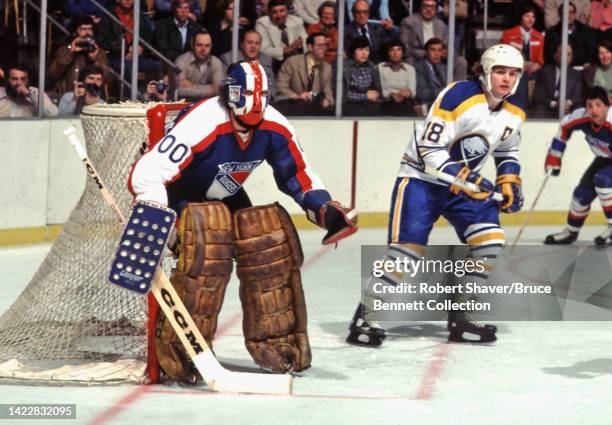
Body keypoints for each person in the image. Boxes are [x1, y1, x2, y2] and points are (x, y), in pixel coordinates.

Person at [129, 61, 358, 381]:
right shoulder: (204, 120)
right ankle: (181, 346)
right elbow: (148, 173)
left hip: (224, 195)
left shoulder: (274, 125)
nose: (249, 122)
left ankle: (275, 340)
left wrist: (325, 210)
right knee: (209, 248)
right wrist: (158, 216)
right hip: (180, 195)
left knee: (268, 239)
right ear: (231, 96)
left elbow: (299, 175)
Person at [346, 44, 526, 347]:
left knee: (491, 242)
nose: (506, 79)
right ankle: (367, 315)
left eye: (512, 73)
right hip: (421, 180)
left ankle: (463, 314)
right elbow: (429, 152)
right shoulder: (459, 96)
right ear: (485, 71)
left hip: (463, 187)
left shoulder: (514, 113)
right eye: (499, 71)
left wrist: (509, 180)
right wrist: (469, 178)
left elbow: (508, 149)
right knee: (406, 253)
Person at [544, 86, 612, 246]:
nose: (593, 110)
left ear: (608, 105)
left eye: (598, 105)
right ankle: (570, 232)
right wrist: (554, 158)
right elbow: (564, 127)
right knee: (581, 195)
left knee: (604, 181)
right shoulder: (582, 117)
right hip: (604, 158)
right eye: (589, 105)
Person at [399, 0, 466, 80]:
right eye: (426, 6)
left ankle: (458, 90)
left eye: (432, 7)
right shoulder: (408, 22)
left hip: (438, 57)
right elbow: (405, 49)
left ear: (436, 9)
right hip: (419, 58)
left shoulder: (440, 24)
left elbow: (448, 46)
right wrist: (427, 53)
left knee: (461, 61)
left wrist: (446, 52)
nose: (429, 9)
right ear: (420, 7)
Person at [48, 14, 108, 99]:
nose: (87, 33)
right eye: (83, 29)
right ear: (75, 31)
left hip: (92, 98)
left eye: (90, 29)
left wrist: (95, 59)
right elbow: (53, 73)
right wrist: (70, 53)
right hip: (67, 97)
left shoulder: (99, 52)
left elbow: (107, 78)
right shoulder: (63, 50)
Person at [274, 32, 334, 115]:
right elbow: (280, 86)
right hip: (292, 107)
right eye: (320, 45)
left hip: (315, 110)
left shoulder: (327, 68)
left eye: (325, 45)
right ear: (310, 47)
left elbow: (329, 93)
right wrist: (297, 97)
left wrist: (327, 100)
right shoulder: (292, 62)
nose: (323, 48)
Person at [500, 5, 544, 106]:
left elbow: (540, 59)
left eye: (533, 17)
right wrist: (519, 64)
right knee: (520, 76)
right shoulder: (508, 34)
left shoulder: (539, 36)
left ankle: (532, 105)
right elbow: (504, 54)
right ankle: (520, 106)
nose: (530, 19)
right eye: (527, 16)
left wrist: (536, 65)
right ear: (521, 17)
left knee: (538, 75)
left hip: (533, 70)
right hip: (514, 67)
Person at [219, 30, 276, 101]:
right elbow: (224, 86)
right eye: (249, 42)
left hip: (261, 101)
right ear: (242, 44)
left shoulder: (266, 60)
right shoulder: (228, 59)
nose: (253, 46)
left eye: (257, 43)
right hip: (237, 102)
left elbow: (272, 89)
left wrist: (263, 98)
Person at [255, 0, 307, 73]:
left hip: (296, 63)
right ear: (269, 13)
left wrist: (299, 47)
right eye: (274, 12)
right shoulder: (262, 23)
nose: (279, 15)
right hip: (274, 64)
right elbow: (264, 49)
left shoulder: (297, 21)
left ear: (287, 11)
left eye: (282, 11)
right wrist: (286, 50)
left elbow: (305, 43)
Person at [533, 44, 583, 118]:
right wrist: (554, 104)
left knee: (580, 109)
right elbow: (539, 94)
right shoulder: (545, 72)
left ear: (571, 57)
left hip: (569, 110)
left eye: (569, 54)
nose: (565, 57)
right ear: (555, 56)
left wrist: (568, 103)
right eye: (562, 54)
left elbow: (578, 94)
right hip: (549, 109)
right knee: (539, 109)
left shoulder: (576, 74)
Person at [174, 29, 225, 101]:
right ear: (192, 45)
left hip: (209, 106)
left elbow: (219, 90)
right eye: (199, 45)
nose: (203, 49)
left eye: (207, 46)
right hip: (185, 107)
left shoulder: (216, 62)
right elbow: (179, 92)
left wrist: (192, 86)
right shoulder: (181, 61)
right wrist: (211, 89)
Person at [341, 36, 382, 116]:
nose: (364, 53)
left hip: (369, 104)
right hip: (351, 105)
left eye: (367, 50)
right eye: (360, 50)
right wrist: (365, 96)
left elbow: (377, 91)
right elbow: (343, 95)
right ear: (353, 51)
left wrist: (376, 94)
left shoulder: (372, 66)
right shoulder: (344, 67)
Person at [378, 39, 416, 116]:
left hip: (404, 101)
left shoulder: (410, 69)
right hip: (386, 102)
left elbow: (413, 92)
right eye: (392, 50)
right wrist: (392, 94)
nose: (395, 53)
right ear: (387, 52)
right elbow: (379, 89)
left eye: (399, 50)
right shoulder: (380, 67)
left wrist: (407, 92)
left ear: (402, 52)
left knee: (406, 104)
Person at [414, 37, 447, 110]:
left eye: (439, 50)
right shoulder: (418, 67)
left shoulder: (443, 67)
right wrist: (444, 91)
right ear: (426, 52)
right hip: (428, 106)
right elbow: (422, 93)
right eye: (433, 50)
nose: (437, 54)